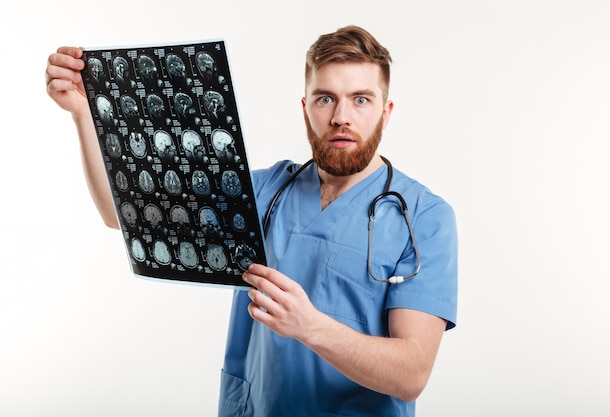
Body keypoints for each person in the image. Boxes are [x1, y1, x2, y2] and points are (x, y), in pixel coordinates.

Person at [46, 25, 458, 417]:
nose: (341, 117)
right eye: (325, 98)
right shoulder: (262, 192)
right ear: (306, 108)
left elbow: (411, 374)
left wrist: (310, 327)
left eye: (361, 100)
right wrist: (84, 114)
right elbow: (123, 216)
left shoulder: (424, 217)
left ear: (386, 113)